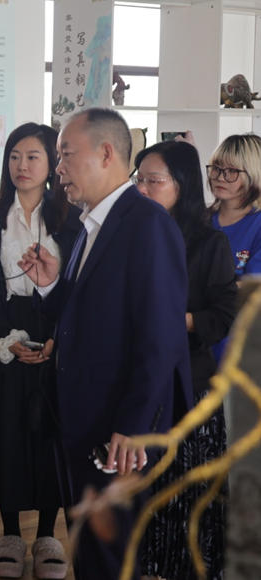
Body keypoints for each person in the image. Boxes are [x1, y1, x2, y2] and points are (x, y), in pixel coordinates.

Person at [18, 108, 193, 580]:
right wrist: (52, 286)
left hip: (119, 429)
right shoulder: (93, 224)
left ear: (107, 153)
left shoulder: (147, 224)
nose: (58, 169)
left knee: (113, 557)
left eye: (65, 155)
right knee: (90, 549)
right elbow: (86, 317)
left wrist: (133, 425)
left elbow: (161, 338)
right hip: (83, 419)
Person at [0, 122, 81, 579]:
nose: (21, 166)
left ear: (52, 164)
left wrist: (57, 337)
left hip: (55, 335)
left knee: (50, 437)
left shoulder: (71, 221)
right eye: (14, 156)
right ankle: (9, 533)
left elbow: (79, 286)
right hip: (3, 338)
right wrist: (4, 340)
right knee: (5, 434)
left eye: (32, 157)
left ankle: (47, 534)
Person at [134, 141, 235, 580]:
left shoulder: (209, 243)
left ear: (182, 185)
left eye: (153, 181)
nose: (142, 189)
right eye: (138, 180)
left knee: (188, 495)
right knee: (145, 492)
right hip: (139, 384)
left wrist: (181, 321)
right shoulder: (131, 236)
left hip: (189, 386)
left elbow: (224, 313)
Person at [209, 134, 261, 280]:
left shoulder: (257, 225)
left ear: (254, 174)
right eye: (216, 168)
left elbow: (253, 287)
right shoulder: (199, 218)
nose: (220, 177)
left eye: (232, 171)